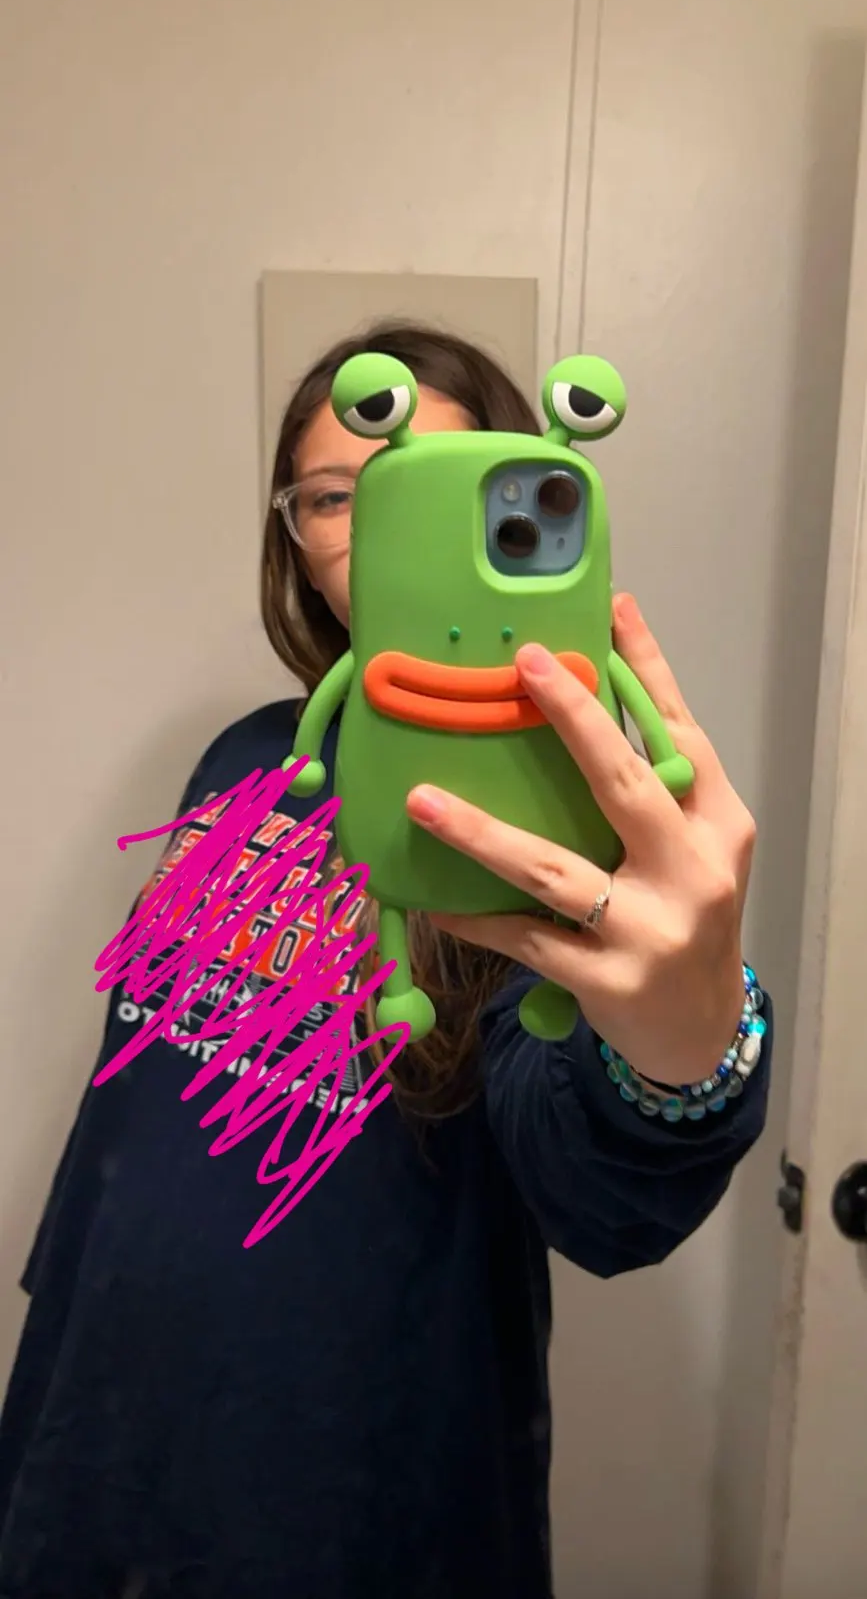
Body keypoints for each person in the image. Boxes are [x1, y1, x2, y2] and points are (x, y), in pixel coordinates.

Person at [0, 322, 772, 1599]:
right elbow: (139, 1098)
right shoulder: (252, 751)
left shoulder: (566, 820)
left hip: (352, 1487)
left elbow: (604, 1192)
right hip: (91, 1423)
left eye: (424, 483)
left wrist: (689, 1052)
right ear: (293, 539)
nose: (373, 526)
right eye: (332, 496)